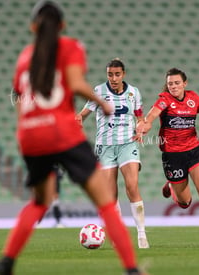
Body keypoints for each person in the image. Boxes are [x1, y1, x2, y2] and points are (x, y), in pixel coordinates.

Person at [0, 1, 143, 274]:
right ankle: (132, 269)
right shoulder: (70, 47)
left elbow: (19, 99)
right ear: (62, 26)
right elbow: (74, 83)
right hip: (63, 134)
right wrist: (103, 103)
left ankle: (7, 261)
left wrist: (24, 132)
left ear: (32, 27)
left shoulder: (25, 57)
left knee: (39, 201)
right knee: (105, 201)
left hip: (30, 136)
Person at [136, 67, 199, 246]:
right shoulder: (164, 100)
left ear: (184, 84)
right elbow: (152, 116)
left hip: (194, 150)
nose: (173, 86)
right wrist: (144, 126)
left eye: (177, 83)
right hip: (173, 155)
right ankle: (172, 187)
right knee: (185, 202)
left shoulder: (192, 98)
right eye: (170, 83)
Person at [76, 58, 149, 249]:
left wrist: (141, 127)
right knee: (110, 195)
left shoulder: (134, 92)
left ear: (123, 74)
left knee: (132, 186)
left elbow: (140, 116)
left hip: (127, 143)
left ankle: (142, 235)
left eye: (117, 74)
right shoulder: (99, 91)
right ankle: (118, 236)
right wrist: (78, 118)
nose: (114, 78)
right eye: (110, 74)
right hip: (105, 147)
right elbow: (84, 112)